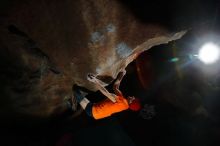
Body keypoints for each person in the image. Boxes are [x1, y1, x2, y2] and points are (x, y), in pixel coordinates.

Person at [73, 71, 141, 120]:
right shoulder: (124, 102)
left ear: (132, 102)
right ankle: (73, 103)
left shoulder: (122, 102)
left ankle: (72, 104)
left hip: (93, 110)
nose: (133, 97)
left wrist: (95, 80)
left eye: (134, 99)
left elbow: (106, 93)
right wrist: (121, 75)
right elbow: (115, 87)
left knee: (75, 90)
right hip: (96, 110)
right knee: (79, 93)